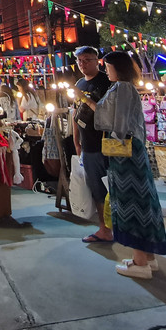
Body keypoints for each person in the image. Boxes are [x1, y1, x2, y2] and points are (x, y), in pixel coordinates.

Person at [79, 51, 166, 279]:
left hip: (123, 149)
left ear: (116, 67)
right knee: (142, 199)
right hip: (132, 148)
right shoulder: (126, 88)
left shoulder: (121, 88)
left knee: (130, 201)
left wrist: (84, 99)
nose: (106, 70)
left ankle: (139, 262)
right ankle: (148, 256)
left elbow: (109, 119)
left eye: (108, 66)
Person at [72, 45, 112, 244]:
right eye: (79, 60)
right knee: (96, 188)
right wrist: (76, 141)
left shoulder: (107, 82)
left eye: (87, 59)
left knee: (113, 187)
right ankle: (104, 228)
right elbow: (76, 114)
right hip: (88, 144)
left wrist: (84, 98)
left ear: (98, 61)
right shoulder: (80, 83)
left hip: (107, 142)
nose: (82, 64)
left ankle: (119, 226)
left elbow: (106, 113)